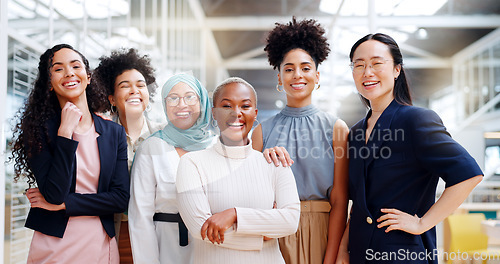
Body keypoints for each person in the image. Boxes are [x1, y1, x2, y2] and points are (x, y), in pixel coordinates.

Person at [338, 33, 483, 264]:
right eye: (359, 65)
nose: (367, 72)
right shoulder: (355, 133)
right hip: (359, 253)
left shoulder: (416, 120)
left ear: (397, 69)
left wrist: (422, 223)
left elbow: (468, 174)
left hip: (402, 253)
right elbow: (359, 205)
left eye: (376, 63)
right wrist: (343, 251)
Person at [11, 44, 129, 263]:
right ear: (49, 83)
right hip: (54, 246)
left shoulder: (114, 132)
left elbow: (120, 199)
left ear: (88, 76)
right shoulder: (37, 130)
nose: (69, 73)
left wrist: (67, 204)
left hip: (100, 243)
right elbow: (54, 193)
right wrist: (65, 132)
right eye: (58, 69)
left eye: (76, 66)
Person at [252, 17, 349, 264]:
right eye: (289, 68)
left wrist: (332, 256)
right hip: (274, 233)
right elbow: (252, 194)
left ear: (317, 76)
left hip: (323, 231)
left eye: (306, 68)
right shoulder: (261, 132)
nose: (297, 75)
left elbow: (339, 200)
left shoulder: (336, 129)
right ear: (279, 78)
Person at [176, 77, 300, 264]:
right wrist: (262, 233)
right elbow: (200, 228)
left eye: (245, 106)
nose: (236, 113)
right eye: (226, 106)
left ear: (255, 113)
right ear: (214, 113)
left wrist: (234, 214)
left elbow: (290, 221)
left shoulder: (274, 163)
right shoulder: (192, 163)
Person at [128, 73, 215, 264]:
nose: (181, 104)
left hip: (214, 248)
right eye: (173, 98)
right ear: (165, 104)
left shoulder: (217, 146)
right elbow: (140, 216)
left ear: (202, 102)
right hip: (168, 247)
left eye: (190, 97)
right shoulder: (151, 147)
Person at [92, 48, 163, 263]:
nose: (134, 90)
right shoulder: (97, 138)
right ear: (112, 98)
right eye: (125, 86)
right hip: (112, 233)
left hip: (157, 234)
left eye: (140, 85)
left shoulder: (165, 136)